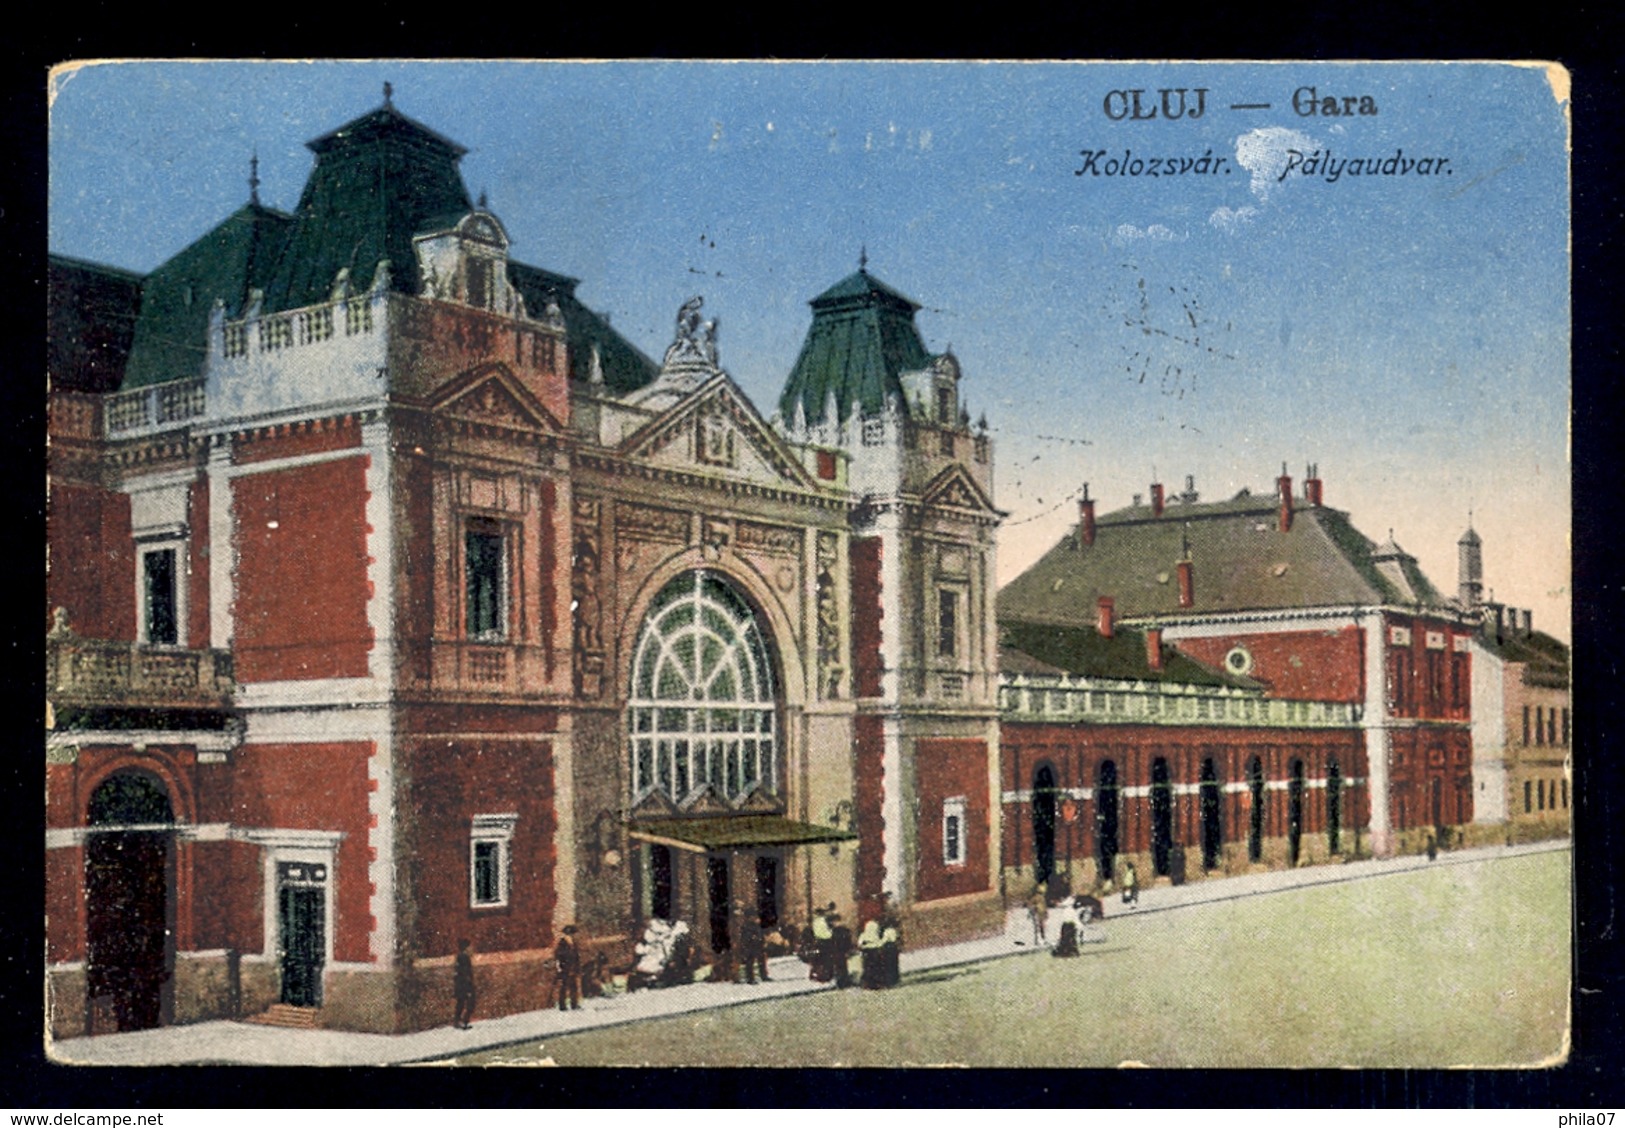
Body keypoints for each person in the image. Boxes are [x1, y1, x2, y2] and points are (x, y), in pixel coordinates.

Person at [737, 902, 769, 984]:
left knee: (761, 961)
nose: (754, 918)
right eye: (752, 916)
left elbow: (760, 933)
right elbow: (746, 937)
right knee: (750, 963)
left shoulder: (756, 925)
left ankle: (763, 975)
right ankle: (750, 978)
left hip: (758, 945)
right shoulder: (746, 926)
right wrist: (754, 938)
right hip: (750, 946)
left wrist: (761, 940)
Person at [554, 925, 582, 1011]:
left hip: (573, 968)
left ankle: (574, 1004)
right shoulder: (562, 943)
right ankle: (562, 1005)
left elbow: (576, 956)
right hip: (565, 968)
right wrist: (562, 968)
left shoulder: (573, 943)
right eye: (572, 934)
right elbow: (559, 956)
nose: (574, 936)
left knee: (574, 986)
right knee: (564, 987)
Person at [453, 938, 476, 1029]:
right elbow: (465, 972)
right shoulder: (464, 957)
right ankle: (463, 1021)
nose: (472, 948)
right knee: (469, 1002)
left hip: (461, 984)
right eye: (470, 947)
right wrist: (469, 984)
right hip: (464, 984)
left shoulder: (462, 956)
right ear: (466, 948)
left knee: (461, 1003)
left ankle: (459, 1021)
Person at [857, 919, 884, 989]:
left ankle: (867, 984)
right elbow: (879, 944)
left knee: (867, 968)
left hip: (866, 952)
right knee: (876, 968)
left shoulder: (863, 935)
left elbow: (859, 943)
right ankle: (876, 984)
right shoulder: (875, 936)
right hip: (874, 952)